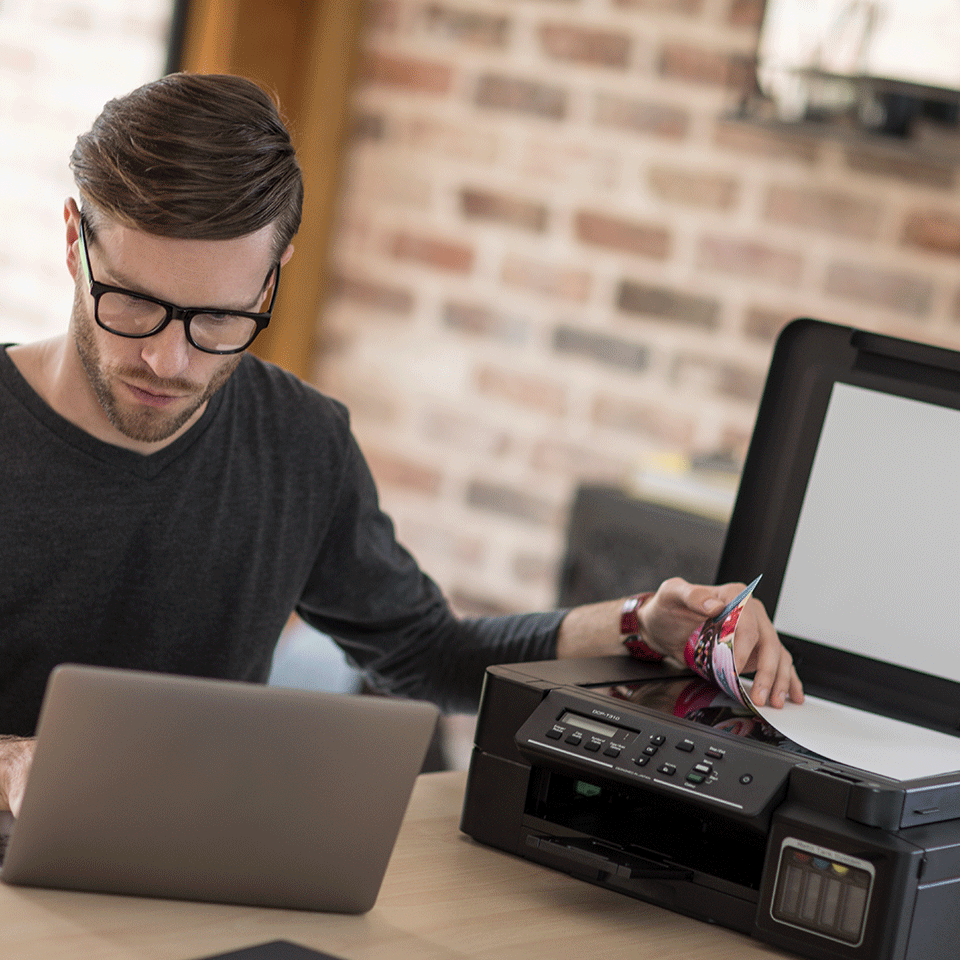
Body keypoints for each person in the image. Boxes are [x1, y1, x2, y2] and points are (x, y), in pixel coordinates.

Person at [0, 73, 802, 817]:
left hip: (174, 876)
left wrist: (641, 625)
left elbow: (427, 654)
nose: (168, 362)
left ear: (272, 278)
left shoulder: (299, 443)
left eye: (218, 319)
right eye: (135, 305)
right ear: (74, 241)